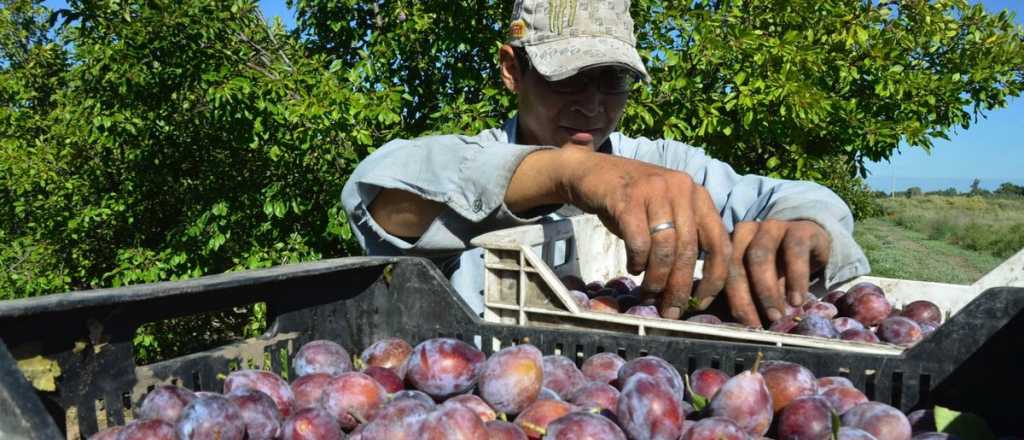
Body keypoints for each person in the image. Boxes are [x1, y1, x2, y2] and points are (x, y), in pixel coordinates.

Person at [341, 0, 869, 328]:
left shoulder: (659, 165)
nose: (593, 105)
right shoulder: (472, 158)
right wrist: (569, 173)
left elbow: (787, 195)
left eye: (612, 79)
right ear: (511, 69)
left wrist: (807, 228)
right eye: (568, 76)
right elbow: (382, 196)